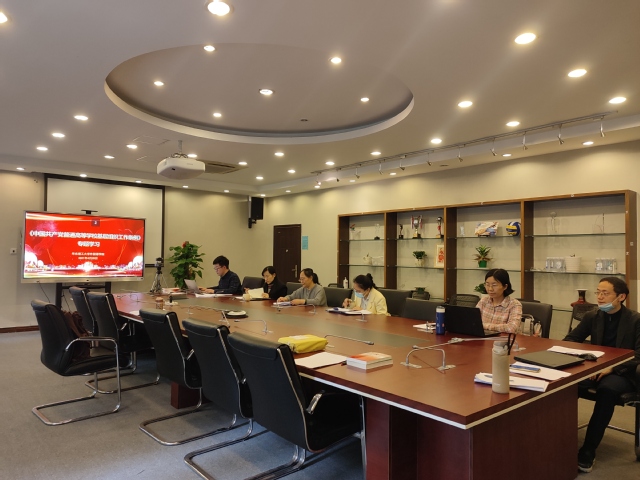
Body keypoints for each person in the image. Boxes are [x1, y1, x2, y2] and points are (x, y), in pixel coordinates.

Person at [563, 277, 640, 473]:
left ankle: (588, 450)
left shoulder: (635, 320)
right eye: (598, 292)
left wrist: (612, 369)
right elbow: (571, 339)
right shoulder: (593, 316)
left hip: (623, 372)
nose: (599, 297)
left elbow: (639, 355)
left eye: (605, 293)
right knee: (565, 383)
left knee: (607, 390)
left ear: (621, 297)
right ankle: (558, 439)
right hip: (595, 368)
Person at [475, 268, 521, 333]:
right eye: (487, 285)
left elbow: (511, 328)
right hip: (483, 337)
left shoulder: (514, 304)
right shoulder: (483, 301)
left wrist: (484, 326)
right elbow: (473, 322)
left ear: (505, 286)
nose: (490, 289)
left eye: (494, 285)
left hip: (503, 339)